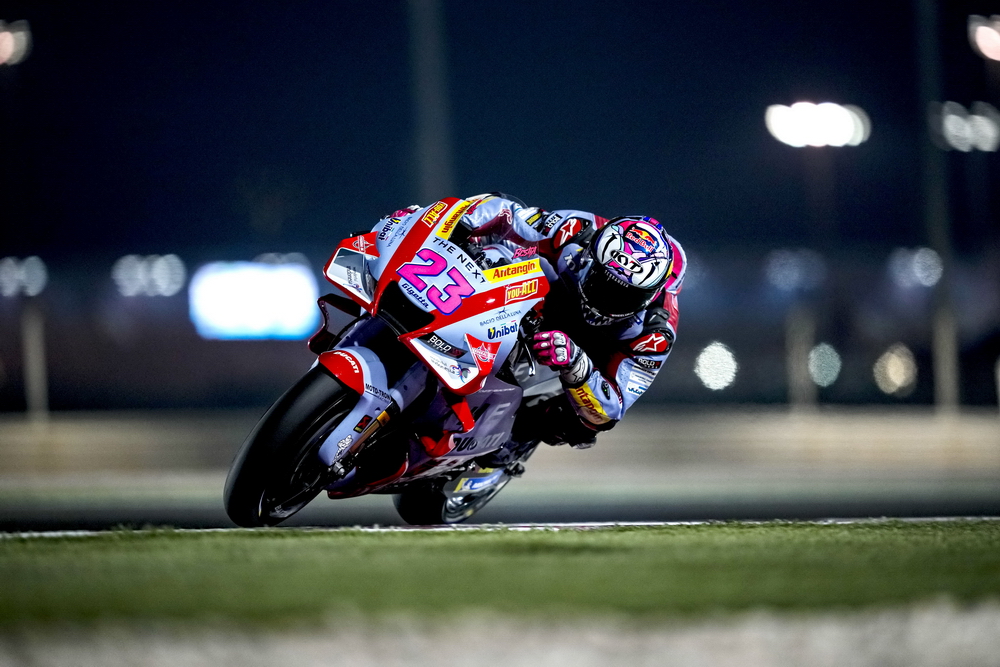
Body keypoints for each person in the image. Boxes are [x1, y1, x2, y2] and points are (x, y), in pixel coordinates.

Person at [381, 193, 686, 463]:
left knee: (579, 425)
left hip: (594, 347)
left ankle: (515, 441)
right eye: (603, 282)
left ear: (649, 296)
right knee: (496, 253)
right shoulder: (574, 230)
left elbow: (612, 408)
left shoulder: (655, 333)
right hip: (551, 297)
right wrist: (448, 225)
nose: (608, 299)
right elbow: (505, 212)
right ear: (591, 258)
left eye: (625, 296)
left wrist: (576, 365)